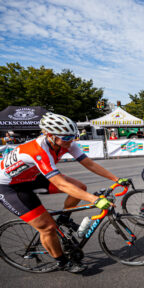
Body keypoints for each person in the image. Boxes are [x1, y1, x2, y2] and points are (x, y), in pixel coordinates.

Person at [0, 113, 129, 273]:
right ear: (49, 135)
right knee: (47, 227)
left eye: (73, 136)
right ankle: (62, 262)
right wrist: (95, 200)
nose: (71, 140)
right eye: (66, 137)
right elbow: (60, 183)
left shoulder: (67, 143)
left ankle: (64, 219)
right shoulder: (37, 150)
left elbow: (89, 164)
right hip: (9, 187)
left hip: (32, 178)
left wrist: (116, 178)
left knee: (79, 187)